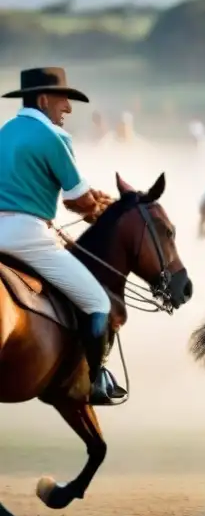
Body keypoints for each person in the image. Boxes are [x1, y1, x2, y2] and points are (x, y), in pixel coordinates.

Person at [0, 67, 125, 405]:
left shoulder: (4, 131)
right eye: (63, 101)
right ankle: (95, 379)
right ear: (43, 99)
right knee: (98, 302)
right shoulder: (54, 138)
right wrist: (96, 207)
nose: (68, 109)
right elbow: (77, 199)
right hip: (28, 235)